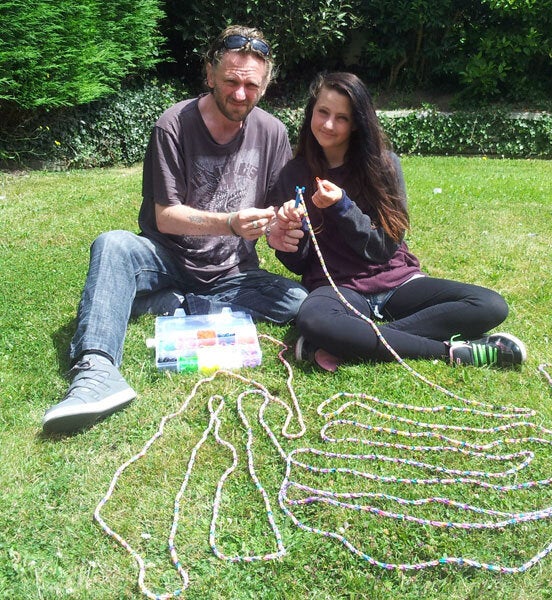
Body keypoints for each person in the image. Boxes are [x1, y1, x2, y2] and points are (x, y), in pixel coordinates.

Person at [42, 25, 308, 435]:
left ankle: (176, 304)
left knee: (298, 301)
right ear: (209, 74)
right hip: (167, 257)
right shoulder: (173, 124)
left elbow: (273, 209)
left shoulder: (272, 132)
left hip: (232, 271)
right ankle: (96, 372)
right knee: (112, 245)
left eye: (251, 86)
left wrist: (277, 226)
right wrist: (230, 223)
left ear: (266, 84)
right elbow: (166, 216)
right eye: (230, 82)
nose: (240, 94)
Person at [269, 72, 526, 372]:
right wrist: (288, 233)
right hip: (338, 288)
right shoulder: (293, 174)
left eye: (342, 118)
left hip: (395, 281)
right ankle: (452, 352)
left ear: (356, 124)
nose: (328, 124)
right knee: (314, 320)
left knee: (490, 304)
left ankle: (348, 342)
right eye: (322, 112)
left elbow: (383, 249)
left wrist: (343, 206)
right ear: (311, 112)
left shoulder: (384, 166)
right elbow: (299, 264)